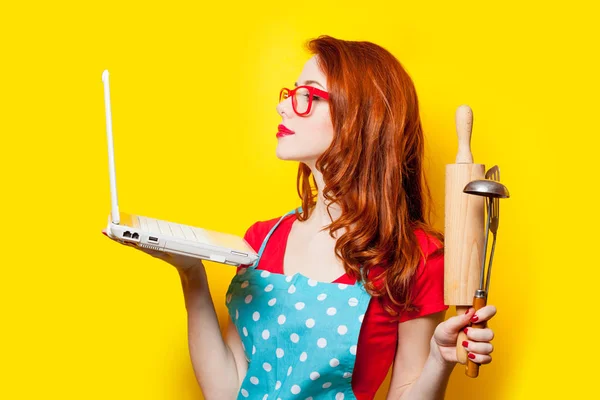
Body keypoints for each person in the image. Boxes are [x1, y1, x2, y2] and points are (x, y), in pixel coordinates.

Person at [109, 35, 497, 400]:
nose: (283, 106)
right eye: (291, 93)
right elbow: (228, 390)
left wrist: (439, 360)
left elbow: (406, 389)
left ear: (361, 119)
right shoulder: (261, 240)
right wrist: (190, 273)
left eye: (308, 95)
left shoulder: (414, 258)